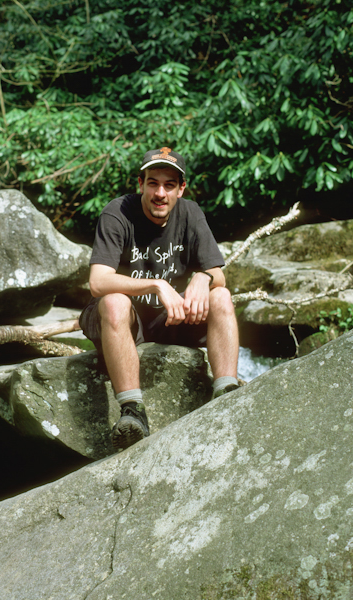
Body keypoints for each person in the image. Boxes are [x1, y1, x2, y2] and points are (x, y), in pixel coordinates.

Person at [80, 147, 239, 451]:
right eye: (153, 183)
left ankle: (227, 392)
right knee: (114, 300)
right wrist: (157, 285)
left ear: (181, 189)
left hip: (174, 318)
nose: (160, 193)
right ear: (140, 184)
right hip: (126, 320)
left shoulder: (191, 213)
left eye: (169, 185)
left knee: (221, 296)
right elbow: (98, 282)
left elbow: (218, 275)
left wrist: (202, 279)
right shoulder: (117, 212)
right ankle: (132, 412)